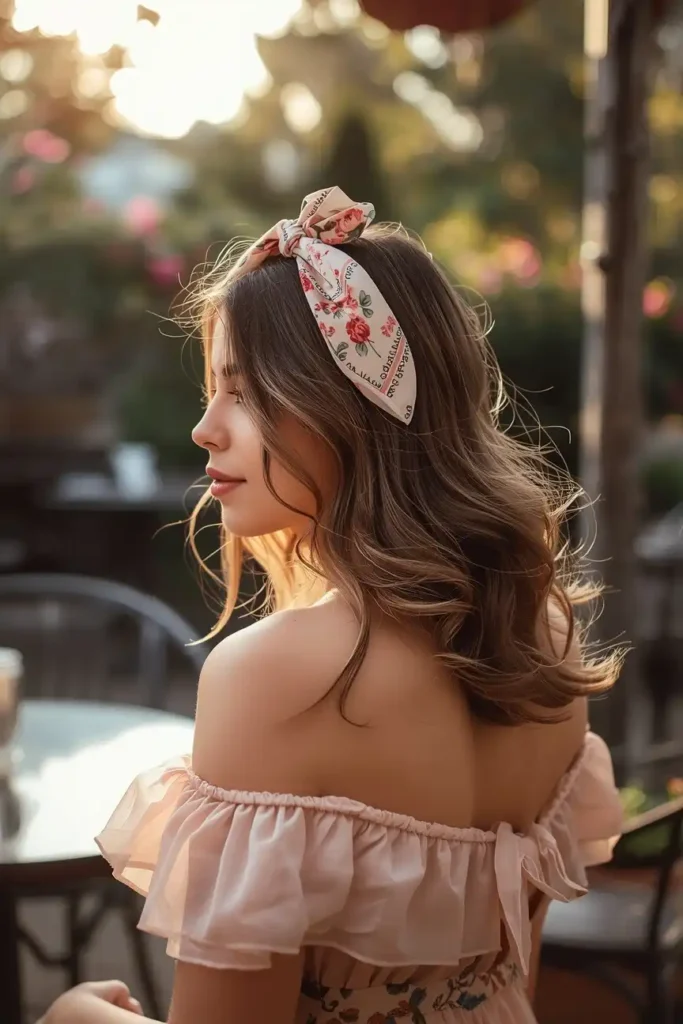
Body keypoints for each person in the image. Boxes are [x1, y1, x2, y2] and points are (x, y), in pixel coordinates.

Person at [40, 187, 623, 1024]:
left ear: (352, 402)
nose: (205, 428)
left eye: (242, 391)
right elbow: (505, 979)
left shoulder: (276, 678)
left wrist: (73, 1016)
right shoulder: (541, 634)